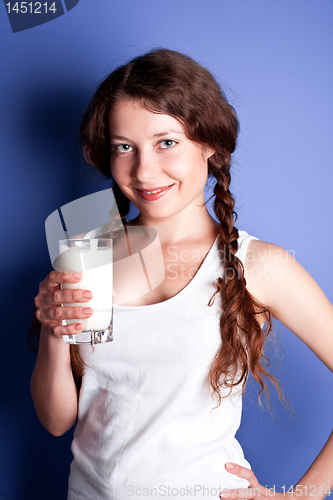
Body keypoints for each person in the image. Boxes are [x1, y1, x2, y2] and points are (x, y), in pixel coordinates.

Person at [31, 48, 333, 500]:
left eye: (166, 142)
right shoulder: (86, 254)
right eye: (124, 148)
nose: (144, 169)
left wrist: (299, 497)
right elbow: (56, 421)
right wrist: (55, 332)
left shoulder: (258, 265)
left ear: (210, 143)